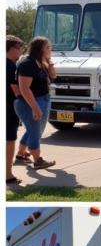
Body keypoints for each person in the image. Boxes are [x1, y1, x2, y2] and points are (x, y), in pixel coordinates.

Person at [14, 36, 57, 171]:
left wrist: (50, 66)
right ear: (40, 50)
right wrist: (35, 107)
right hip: (30, 102)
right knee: (35, 131)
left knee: (36, 130)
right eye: (48, 47)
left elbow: (54, 77)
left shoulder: (41, 62)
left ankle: (21, 154)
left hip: (43, 98)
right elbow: (24, 88)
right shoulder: (27, 63)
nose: (51, 50)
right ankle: (37, 161)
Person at [6, 36, 24, 187]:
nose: (21, 50)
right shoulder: (11, 66)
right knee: (10, 140)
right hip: (9, 108)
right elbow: (15, 89)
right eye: (19, 47)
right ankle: (8, 174)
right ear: (11, 48)